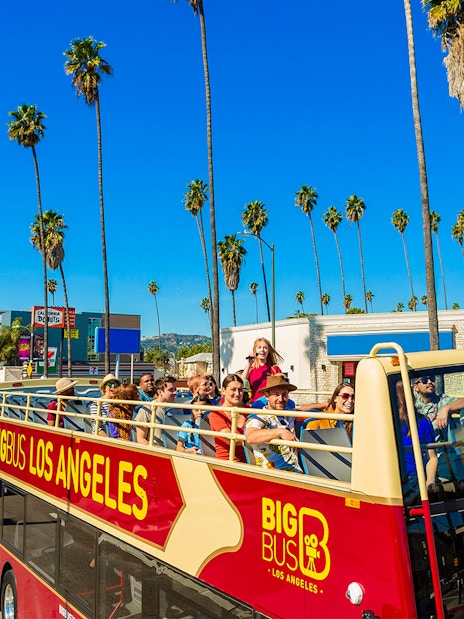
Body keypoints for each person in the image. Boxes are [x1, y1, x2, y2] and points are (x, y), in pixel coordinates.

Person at [245, 374, 302, 473]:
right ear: (267, 396)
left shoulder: (289, 414)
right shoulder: (260, 418)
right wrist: (280, 432)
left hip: (297, 472)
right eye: (276, 394)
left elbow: (301, 410)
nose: (280, 399)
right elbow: (250, 437)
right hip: (273, 476)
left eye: (284, 395)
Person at [396, 381, 438, 493]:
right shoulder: (385, 423)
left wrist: (430, 481)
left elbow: (432, 457)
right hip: (391, 480)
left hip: (414, 479)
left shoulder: (423, 422)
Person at [209, 374, 247, 462]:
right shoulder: (216, 414)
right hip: (228, 462)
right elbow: (230, 439)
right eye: (233, 389)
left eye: (240, 390)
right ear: (223, 391)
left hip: (252, 461)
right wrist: (256, 438)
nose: (237, 394)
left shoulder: (248, 410)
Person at [135, 376, 177, 445]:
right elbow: (140, 439)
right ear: (160, 392)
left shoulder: (177, 408)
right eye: (171, 390)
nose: (175, 392)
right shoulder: (146, 410)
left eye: (175, 389)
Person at [241, 337, 284, 402]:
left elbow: (282, 386)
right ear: (255, 351)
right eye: (259, 347)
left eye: (265, 348)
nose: (262, 350)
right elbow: (242, 382)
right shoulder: (251, 369)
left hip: (271, 404)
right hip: (256, 404)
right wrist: (249, 364)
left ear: (268, 351)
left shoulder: (275, 369)